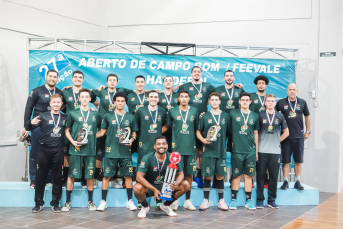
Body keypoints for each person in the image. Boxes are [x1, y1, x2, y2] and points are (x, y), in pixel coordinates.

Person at [95, 92, 138, 211]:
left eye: (122, 101)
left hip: (125, 152)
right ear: (114, 102)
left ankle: (130, 201)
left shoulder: (130, 117)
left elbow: (134, 133)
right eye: (118, 101)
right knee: (106, 176)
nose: (120, 103)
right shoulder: (108, 116)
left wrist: (132, 139)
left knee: (128, 176)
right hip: (111, 151)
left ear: (125, 103)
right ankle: (103, 201)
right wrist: (89, 136)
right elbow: (102, 132)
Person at [61, 88, 101, 211]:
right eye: (82, 97)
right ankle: (67, 202)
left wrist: (91, 137)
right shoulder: (73, 113)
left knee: (89, 176)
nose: (84, 99)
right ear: (79, 99)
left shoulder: (95, 113)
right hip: (75, 149)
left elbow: (101, 130)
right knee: (72, 175)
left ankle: (91, 201)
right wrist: (73, 141)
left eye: (86, 97)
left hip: (89, 150)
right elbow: (67, 130)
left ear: (90, 99)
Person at [92, 74, 133, 189]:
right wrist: (96, 90)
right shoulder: (102, 91)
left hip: (116, 127)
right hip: (103, 126)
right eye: (110, 80)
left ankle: (115, 179)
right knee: (99, 154)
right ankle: (95, 178)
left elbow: (137, 90)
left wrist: (153, 90)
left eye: (114, 80)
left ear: (117, 82)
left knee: (116, 153)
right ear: (106, 82)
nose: (112, 82)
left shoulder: (121, 91)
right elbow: (88, 95)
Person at [27, 94, 67, 213]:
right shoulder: (43, 116)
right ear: (50, 104)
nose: (56, 104)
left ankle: (55, 203)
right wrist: (30, 123)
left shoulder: (65, 117)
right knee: (40, 178)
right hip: (43, 149)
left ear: (61, 104)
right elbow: (28, 127)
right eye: (53, 102)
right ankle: (38, 203)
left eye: (58, 102)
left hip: (58, 150)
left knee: (57, 177)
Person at [23, 69, 62, 189]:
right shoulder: (37, 91)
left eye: (55, 77)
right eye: (50, 76)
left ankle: (49, 179)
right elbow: (28, 108)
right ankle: (34, 180)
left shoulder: (60, 93)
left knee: (52, 153)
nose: (52, 79)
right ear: (46, 77)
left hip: (53, 127)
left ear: (58, 79)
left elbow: (66, 108)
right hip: (38, 127)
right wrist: (26, 126)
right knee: (35, 153)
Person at [134, 136, 190, 218]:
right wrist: (154, 189)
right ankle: (145, 206)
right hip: (150, 187)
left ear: (167, 145)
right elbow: (138, 177)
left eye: (163, 144)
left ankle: (166, 205)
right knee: (137, 188)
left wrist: (176, 183)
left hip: (167, 187)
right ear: (154, 146)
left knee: (186, 184)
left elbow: (181, 174)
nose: (161, 146)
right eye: (158, 144)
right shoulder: (147, 158)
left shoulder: (173, 157)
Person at [178, 66, 215, 188]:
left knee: (200, 151)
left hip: (202, 122)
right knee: (187, 150)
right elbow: (175, 96)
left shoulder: (208, 86)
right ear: (191, 74)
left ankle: (199, 175)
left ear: (201, 74)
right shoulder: (185, 86)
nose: (197, 73)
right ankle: (182, 175)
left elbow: (218, 96)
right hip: (187, 121)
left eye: (199, 72)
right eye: (195, 72)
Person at [61, 70, 99, 188]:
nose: (78, 79)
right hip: (71, 127)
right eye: (75, 77)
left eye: (80, 77)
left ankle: (84, 179)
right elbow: (60, 105)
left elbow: (97, 103)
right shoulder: (66, 91)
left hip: (85, 127)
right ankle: (66, 178)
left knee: (84, 152)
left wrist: (94, 109)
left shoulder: (87, 93)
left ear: (83, 80)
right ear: (72, 79)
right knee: (68, 154)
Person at [164, 90, 199, 211]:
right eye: (182, 97)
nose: (184, 99)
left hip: (190, 148)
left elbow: (197, 128)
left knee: (189, 174)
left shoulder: (194, 110)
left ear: (189, 98)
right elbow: (168, 127)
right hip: (176, 149)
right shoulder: (172, 111)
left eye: (186, 97)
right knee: (175, 175)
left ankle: (187, 200)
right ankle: (175, 200)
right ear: (178, 98)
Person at [196, 92, 231, 211]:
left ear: (220, 101)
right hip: (208, 151)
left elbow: (230, 133)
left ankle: (221, 201)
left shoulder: (226, 116)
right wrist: (203, 140)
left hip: (221, 151)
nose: (215, 102)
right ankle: (205, 201)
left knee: (220, 177)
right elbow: (198, 132)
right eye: (213, 100)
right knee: (207, 177)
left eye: (217, 100)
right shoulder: (205, 116)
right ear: (209, 102)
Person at [256, 94, 289, 209]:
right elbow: (255, 133)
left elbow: (286, 132)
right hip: (262, 150)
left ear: (275, 103)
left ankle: (271, 200)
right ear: (265, 103)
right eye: (268, 101)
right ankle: (260, 200)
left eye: (272, 101)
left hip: (275, 151)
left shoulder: (280, 116)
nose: (270, 103)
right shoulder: (259, 115)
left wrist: (277, 141)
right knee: (260, 176)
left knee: (273, 177)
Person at [276, 83, 311, 190]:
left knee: (298, 160)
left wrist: (307, 131)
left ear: (297, 91)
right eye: (290, 89)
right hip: (285, 137)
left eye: (294, 89)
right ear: (287, 91)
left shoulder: (302, 102)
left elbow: (307, 117)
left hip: (299, 136)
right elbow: (275, 116)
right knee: (285, 161)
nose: (292, 91)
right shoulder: (281, 102)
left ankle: (297, 181)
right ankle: (285, 181)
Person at [229, 92, 259, 210]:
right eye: (243, 100)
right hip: (237, 151)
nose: (245, 102)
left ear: (250, 102)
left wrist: (256, 151)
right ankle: (233, 200)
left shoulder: (255, 116)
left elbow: (256, 133)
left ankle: (248, 200)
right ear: (239, 102)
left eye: (247, 100)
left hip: (250, 151)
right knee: (236, 176)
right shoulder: (232, 113)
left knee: (248, 176)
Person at [158, 76, 179, 152]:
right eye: (166, 80)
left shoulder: (177, 95)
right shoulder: (158, 95)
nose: (168, 82)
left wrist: (179, 86)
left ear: (173, 83)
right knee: (162, 148)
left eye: (170, 80)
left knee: (173, 149)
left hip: (174, 125)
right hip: (162, 125)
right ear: (163, 83)